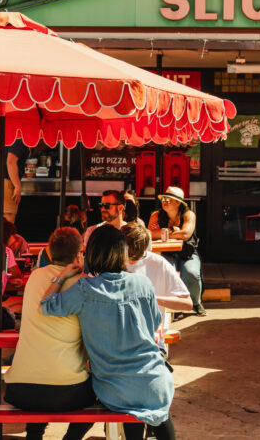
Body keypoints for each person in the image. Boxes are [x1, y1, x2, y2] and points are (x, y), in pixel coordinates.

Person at [41, 225, 176, 440]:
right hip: (155, 383)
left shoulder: (85, 289)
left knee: (126, 405)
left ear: (91, 253)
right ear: (123, 252)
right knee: (156, 409)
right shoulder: (143, 284)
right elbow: (154, 324)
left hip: (114, 389)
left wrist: (61, 277)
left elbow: (47, 305)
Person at [4, 227, 94, 440]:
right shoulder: (83, 284)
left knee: (42, 372)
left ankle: (34, 435)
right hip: (65, 392)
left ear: (50, 253)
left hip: (20, 390)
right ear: (79, 253)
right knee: (104, 391)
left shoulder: (34, 278)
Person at [148, 186, 206, 316]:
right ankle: (176, 305)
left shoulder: (188, 214)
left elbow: (185, 234)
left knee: (191, 273)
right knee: (168, 272)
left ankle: (196, 302)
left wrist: (165, 233)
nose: (165, 202)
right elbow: (150, 234)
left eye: (169, 200)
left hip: (187, 252)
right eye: (164, 199)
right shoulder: (156, 215)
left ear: (178, 202)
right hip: (167, 252)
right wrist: (174, 232)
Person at [125, 220, 192, 314]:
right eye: (127, 256)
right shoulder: (111, 263)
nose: (131, 261)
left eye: (138, 256)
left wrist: (152, 298)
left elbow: (187, 304)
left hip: (151, 326)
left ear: (145, 248)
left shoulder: (158, 263)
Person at [2, 139, 29, 224]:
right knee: (8, 222)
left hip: (1, 181)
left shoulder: (9, 139)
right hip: (8, 182)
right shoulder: (19, 140)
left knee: (1, 222)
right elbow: (10, 162)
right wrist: (17, 186)